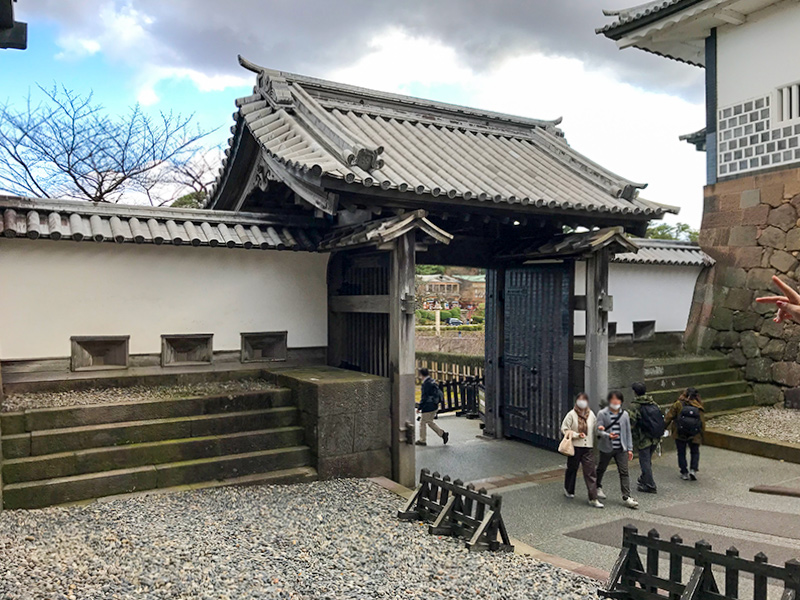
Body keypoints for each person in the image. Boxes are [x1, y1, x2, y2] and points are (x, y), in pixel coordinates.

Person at [596, 391, 639, 509]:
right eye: (613, 400)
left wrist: (630, 449)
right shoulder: (602, 414)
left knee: (624, 471)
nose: (615, 402)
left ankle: (626, 496)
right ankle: (597, 486)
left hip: (621, 447)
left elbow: (627, 432)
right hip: (607, 447)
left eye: (618, 400)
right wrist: (607, 435)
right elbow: (598, 430)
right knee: (601, 468)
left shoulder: (624, 415)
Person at [560, 392, 603, 508]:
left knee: (590, 472)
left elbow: (595, 428)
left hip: (588, 447)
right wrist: (576, 435)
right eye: (580, 399)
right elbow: (564, 429)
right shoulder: (571, 414)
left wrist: (601, 430)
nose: (582, 402)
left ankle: (593, 498)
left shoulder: (591, 415)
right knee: (572, 468)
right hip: (574, 447)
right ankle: (569, 489)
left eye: (584, 400)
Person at [628, 382, 665, 494]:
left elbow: (631, 423)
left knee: (644, 462)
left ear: (635, 392)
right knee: (647, 460)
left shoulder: (635, 406)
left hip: (643, 439)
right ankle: (644, 479)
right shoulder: (653, 403)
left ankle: (650, 485)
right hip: (655, 437)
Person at [664, 387, 706, 481]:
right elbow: (702, 422)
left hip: (680, 432)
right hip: (695, 433)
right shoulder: (698, 405)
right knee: (694, 451)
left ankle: (684, 472)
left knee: (681, 452)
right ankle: (693, 470)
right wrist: (702, 434)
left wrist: (663, 427)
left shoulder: (678, 404)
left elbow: (669, 417)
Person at [415, 368, 449, 446]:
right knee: (430, 422)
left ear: (421, 375)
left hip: (428, 406)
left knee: (422, 423)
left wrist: (420, 407)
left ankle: (422, 440)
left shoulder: (426, 384)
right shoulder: (432, 381)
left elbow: (424, 397)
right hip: (434, 405)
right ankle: (443, 434)